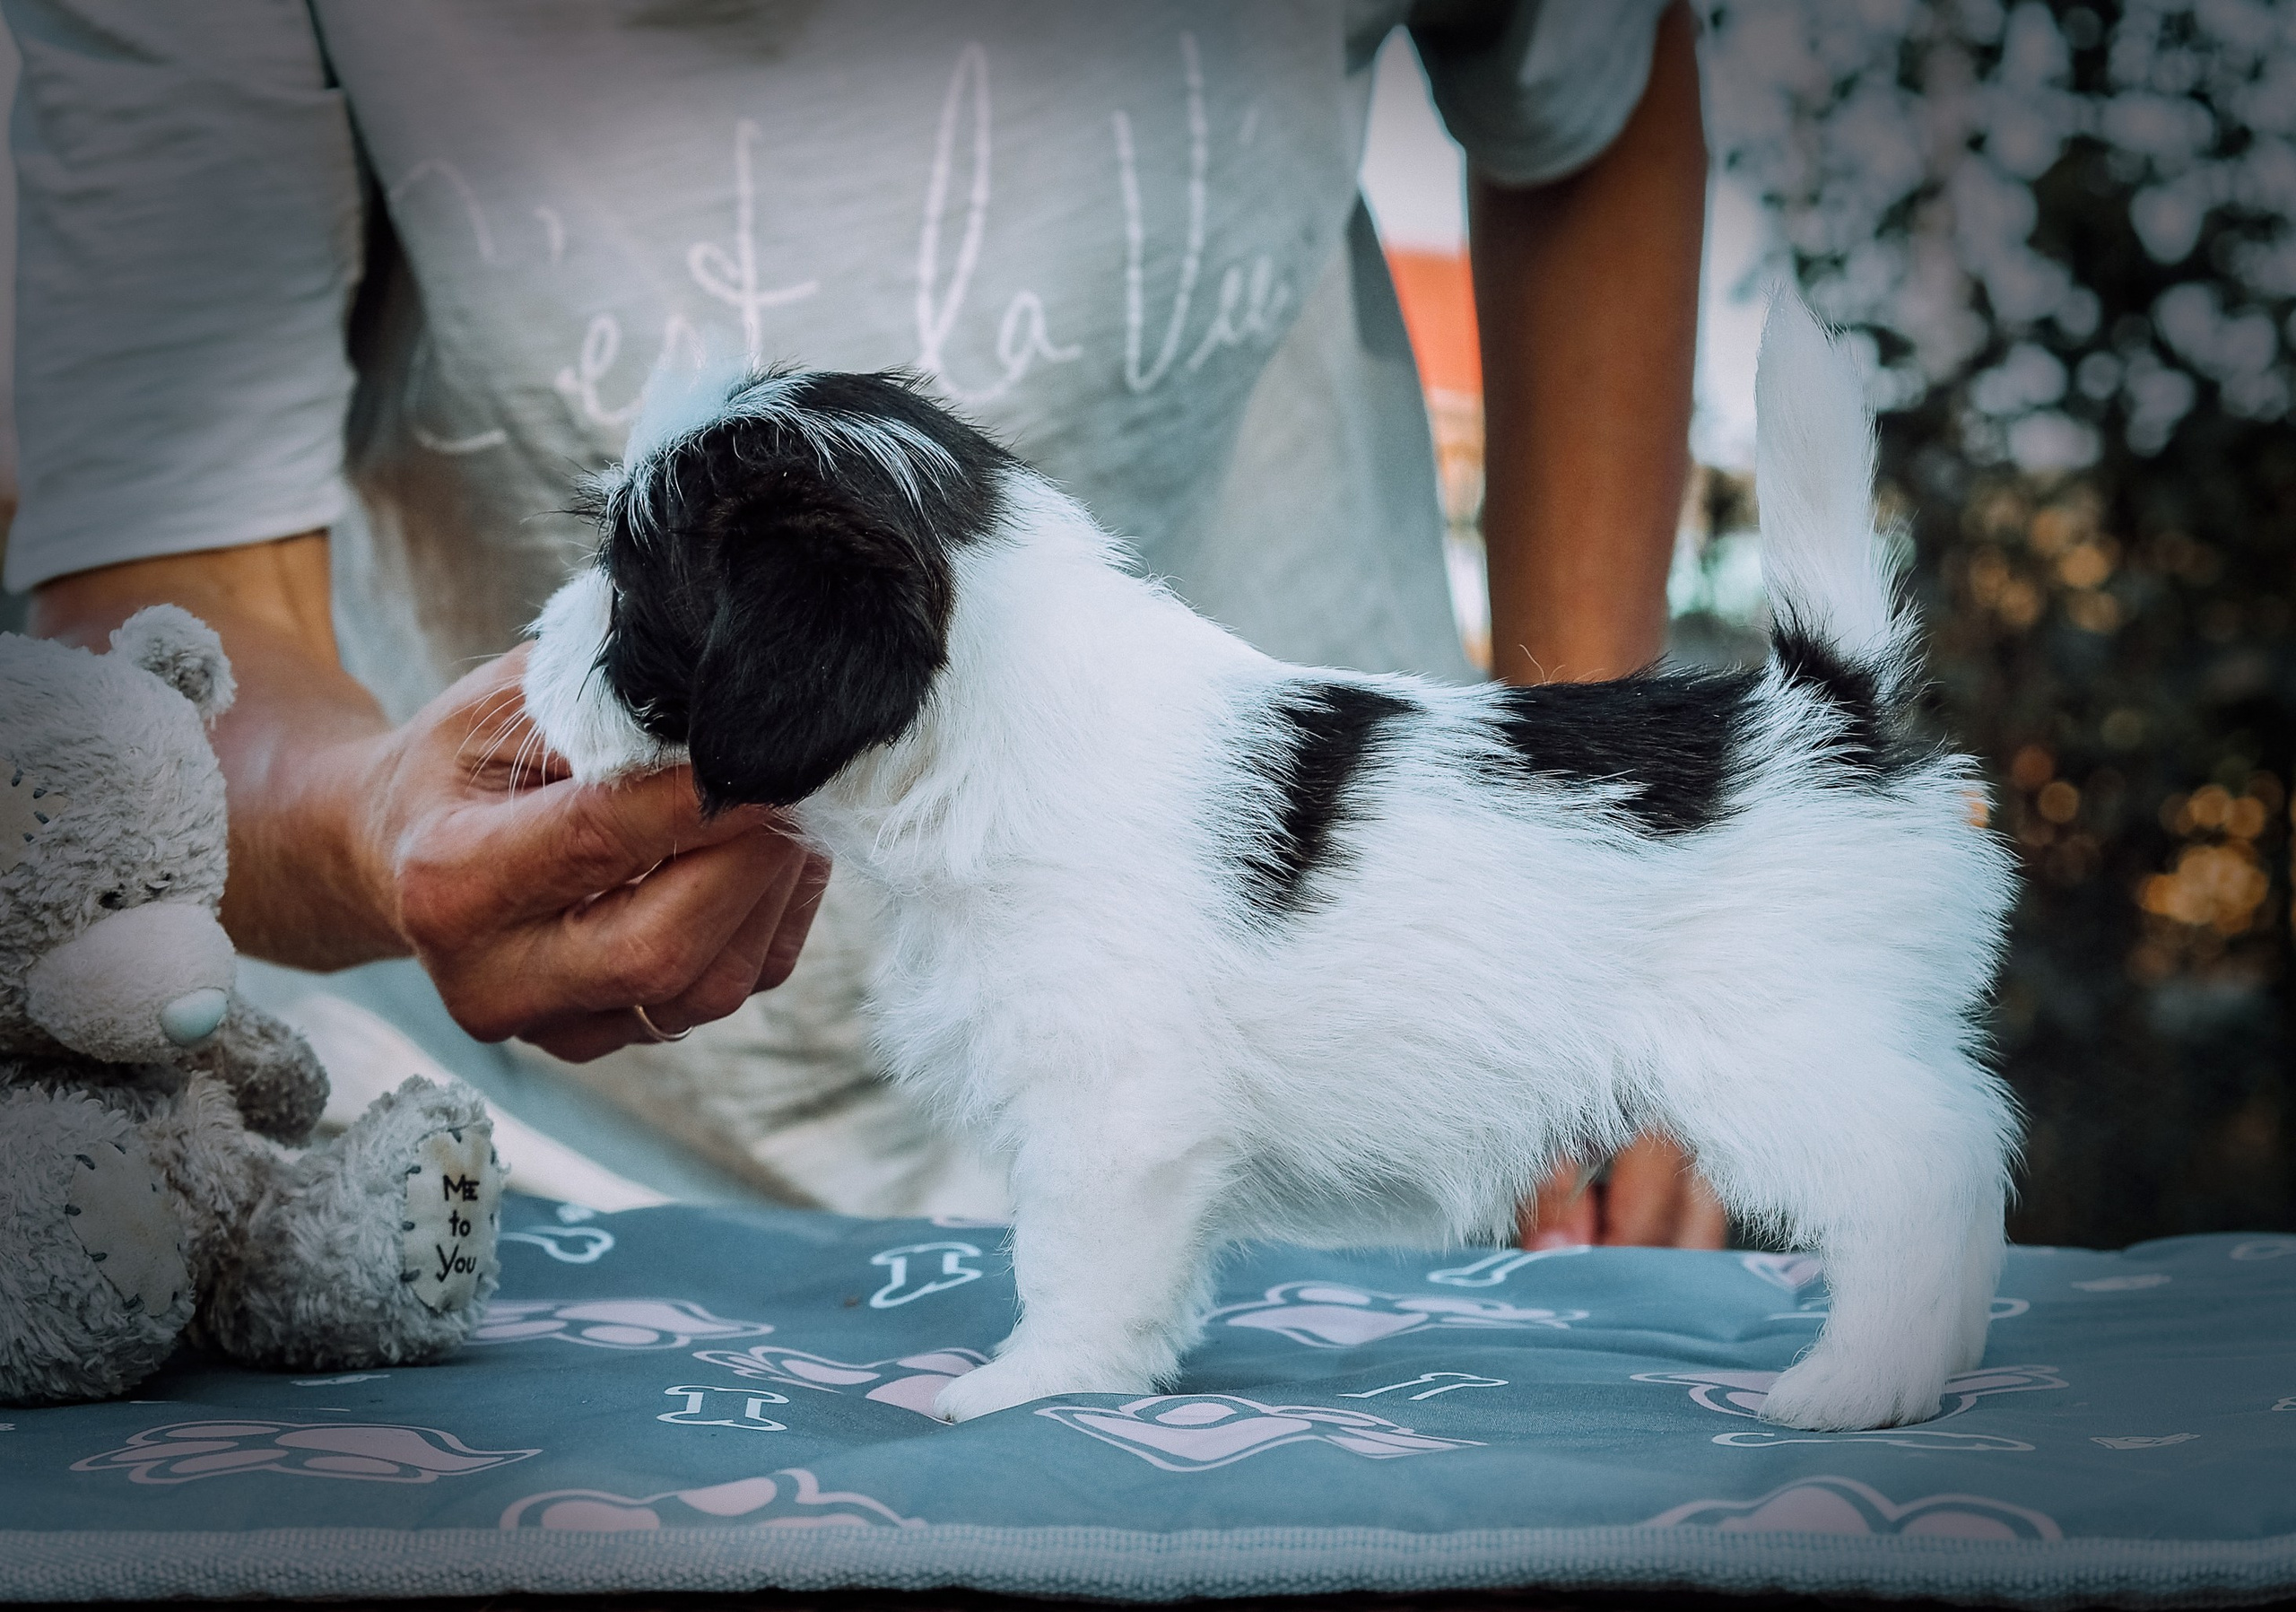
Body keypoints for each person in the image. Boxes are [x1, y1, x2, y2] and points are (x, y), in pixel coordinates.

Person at [10, 1, 1719, 1244]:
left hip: (1320, 1077)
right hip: (507, 1185)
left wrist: (1600, 893)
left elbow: (1584, 100)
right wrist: (372, 826)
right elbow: (164, 642)